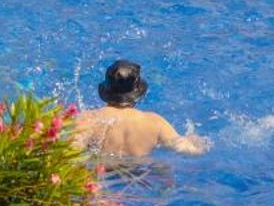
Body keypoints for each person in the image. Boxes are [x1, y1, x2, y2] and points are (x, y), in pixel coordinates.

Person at [72, 60, 207, 158]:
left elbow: (70, 153)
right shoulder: (154, 122)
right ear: (137, 93)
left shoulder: (89, 119)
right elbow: (187, 150)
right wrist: (195, 141)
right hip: (139, 175)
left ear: (106, 91)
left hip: (102, 175)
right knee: (163, 169)